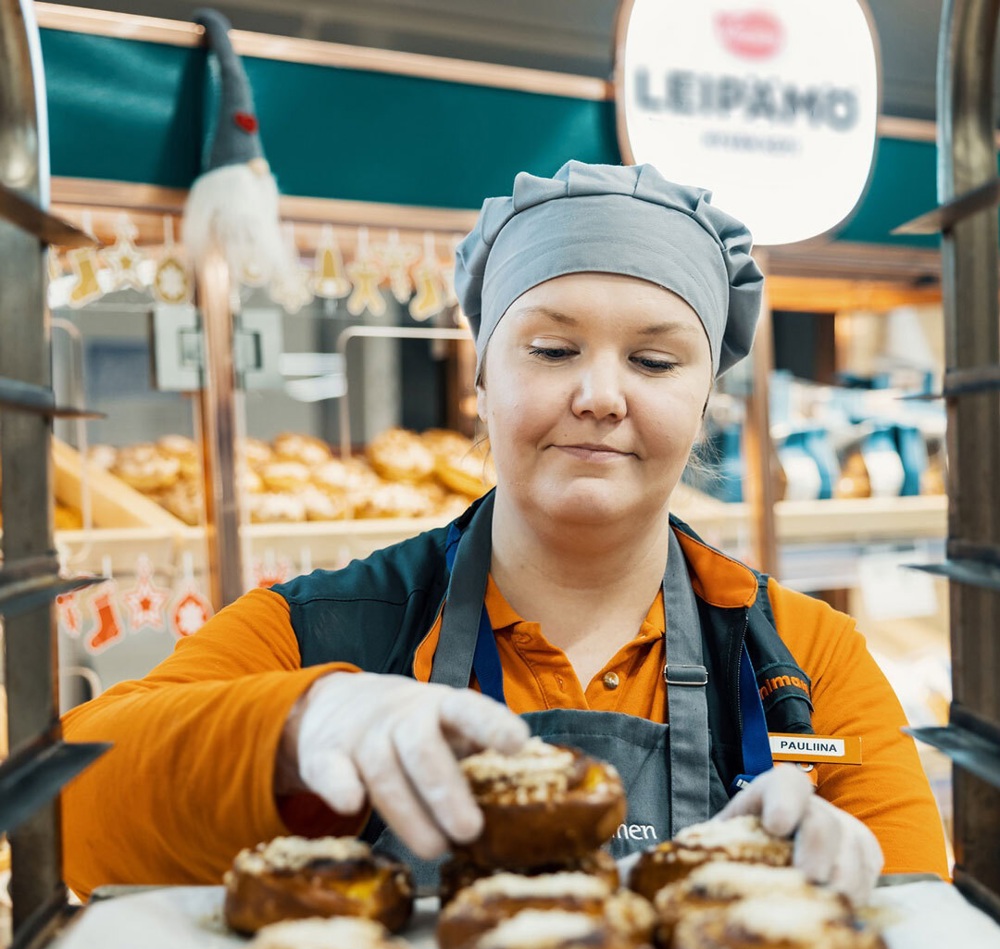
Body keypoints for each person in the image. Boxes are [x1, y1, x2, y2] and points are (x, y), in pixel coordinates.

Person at [62, 161, 948, 906]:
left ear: (705, 398)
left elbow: (921, 919)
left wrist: (859, 893)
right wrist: (301, 724)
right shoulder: (319, 631)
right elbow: (66, 810)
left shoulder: (805, 659)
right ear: (480, 378)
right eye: (551, 350)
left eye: (654, 360)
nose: (601, 395)